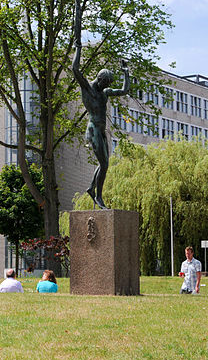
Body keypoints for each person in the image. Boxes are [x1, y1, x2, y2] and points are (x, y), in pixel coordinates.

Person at [73, 0, 129, 209]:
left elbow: (124, 90)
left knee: (105, 164)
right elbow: (75, 69)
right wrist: (78, 48)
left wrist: (126, 72)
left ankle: (91, 189)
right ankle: (97, 196)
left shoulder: (105, 92)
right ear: (102, 79)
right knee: (104, 164)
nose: (108, 86)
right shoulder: (87, 88)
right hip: (93, 129)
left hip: (102, 131)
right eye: (107, 82)